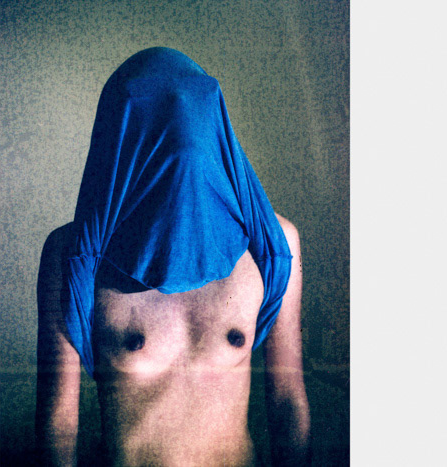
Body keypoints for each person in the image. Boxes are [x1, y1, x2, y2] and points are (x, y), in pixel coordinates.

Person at [35, 47, 310, 466]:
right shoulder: (71, 255)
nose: (180, 144)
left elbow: (288, 399)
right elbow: (58, 422)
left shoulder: (272, 243)